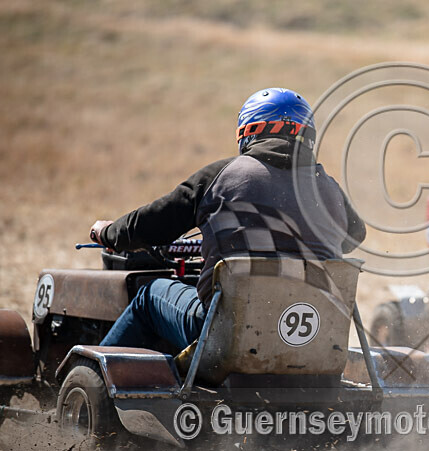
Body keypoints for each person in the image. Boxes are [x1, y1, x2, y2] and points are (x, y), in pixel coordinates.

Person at [90, 88, 366, 353]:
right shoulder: (329, 186)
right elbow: (355, 235)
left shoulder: (221, 176)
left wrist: (109, 232)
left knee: (148, 296)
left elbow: (149, 227)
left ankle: (93, 373)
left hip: (225, 334)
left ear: (248, 133)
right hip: (314, 336)